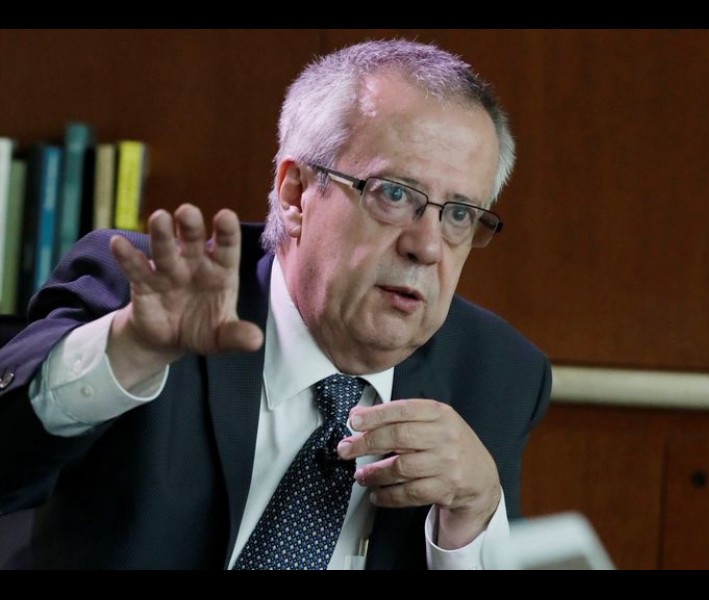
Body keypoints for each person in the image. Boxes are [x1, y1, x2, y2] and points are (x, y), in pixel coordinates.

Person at [0, 39, 551, 569]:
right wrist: (127, 352)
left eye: (460, 214)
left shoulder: (497, 375)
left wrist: (475, 517)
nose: (427, 247)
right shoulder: (147, 296)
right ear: (294, 195)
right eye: (394, 193)